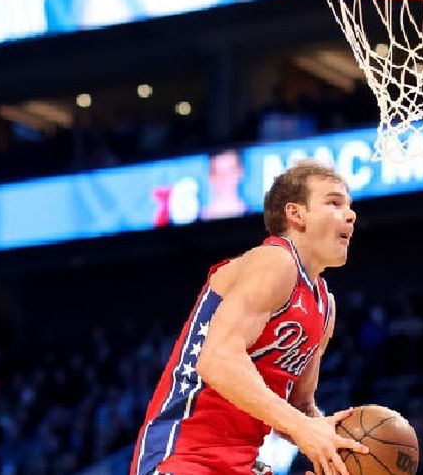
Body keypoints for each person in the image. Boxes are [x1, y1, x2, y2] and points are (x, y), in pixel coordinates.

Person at [130, 160, 367, 475]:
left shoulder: (325, 307)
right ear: (296, 214)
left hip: (241, 464)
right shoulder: (275, 261)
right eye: (334, 203)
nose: (350, 214)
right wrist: (302, 428)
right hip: (184, 456)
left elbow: (298, 408)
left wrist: (335, 444)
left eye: (349, 206)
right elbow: (216, 360)